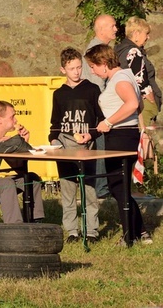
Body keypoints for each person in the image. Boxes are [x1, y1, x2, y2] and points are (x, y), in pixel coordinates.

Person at [85, 44, 151, 245]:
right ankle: (139, 232)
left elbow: (131, 103)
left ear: (104, 64)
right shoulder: (126, 75)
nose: (92, 71)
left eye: (93, 66)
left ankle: (129, 236)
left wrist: (109, 122)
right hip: (125, 136)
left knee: (118, 187)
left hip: (121, 138)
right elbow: (138, 105)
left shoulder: (120, 79)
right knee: (119, 187)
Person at [48, 47, 103, 243]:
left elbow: (101, 120)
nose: (77, 72)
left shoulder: (92, 89)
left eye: (79, 67)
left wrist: (91, 134)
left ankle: (91, 231)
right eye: (72, 68)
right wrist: (54, 141)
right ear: (63, 69)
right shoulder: (59, 94)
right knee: (68, 190)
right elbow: (54, 124)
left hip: (86, 146)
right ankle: (71, 231)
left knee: (89, 189)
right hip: (65, 145)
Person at [81, 13, 118, 198]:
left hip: (100, 108)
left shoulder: (100, 48)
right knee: (101, 148)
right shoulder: (96, 51)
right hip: (98, 110)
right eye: (112, 26)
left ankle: (104, 186)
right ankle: (102, 189)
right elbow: (96, 86)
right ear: (102, 28)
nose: (116, 29)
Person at [114, 16, 161, 127]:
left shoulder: (120, 50)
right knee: (145, 137)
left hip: (131, 102)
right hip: (143, 104)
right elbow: (140, 78)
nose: (148, 37)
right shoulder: (133, 51)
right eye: (146, 33)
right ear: (136, 34)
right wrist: (151, 97)